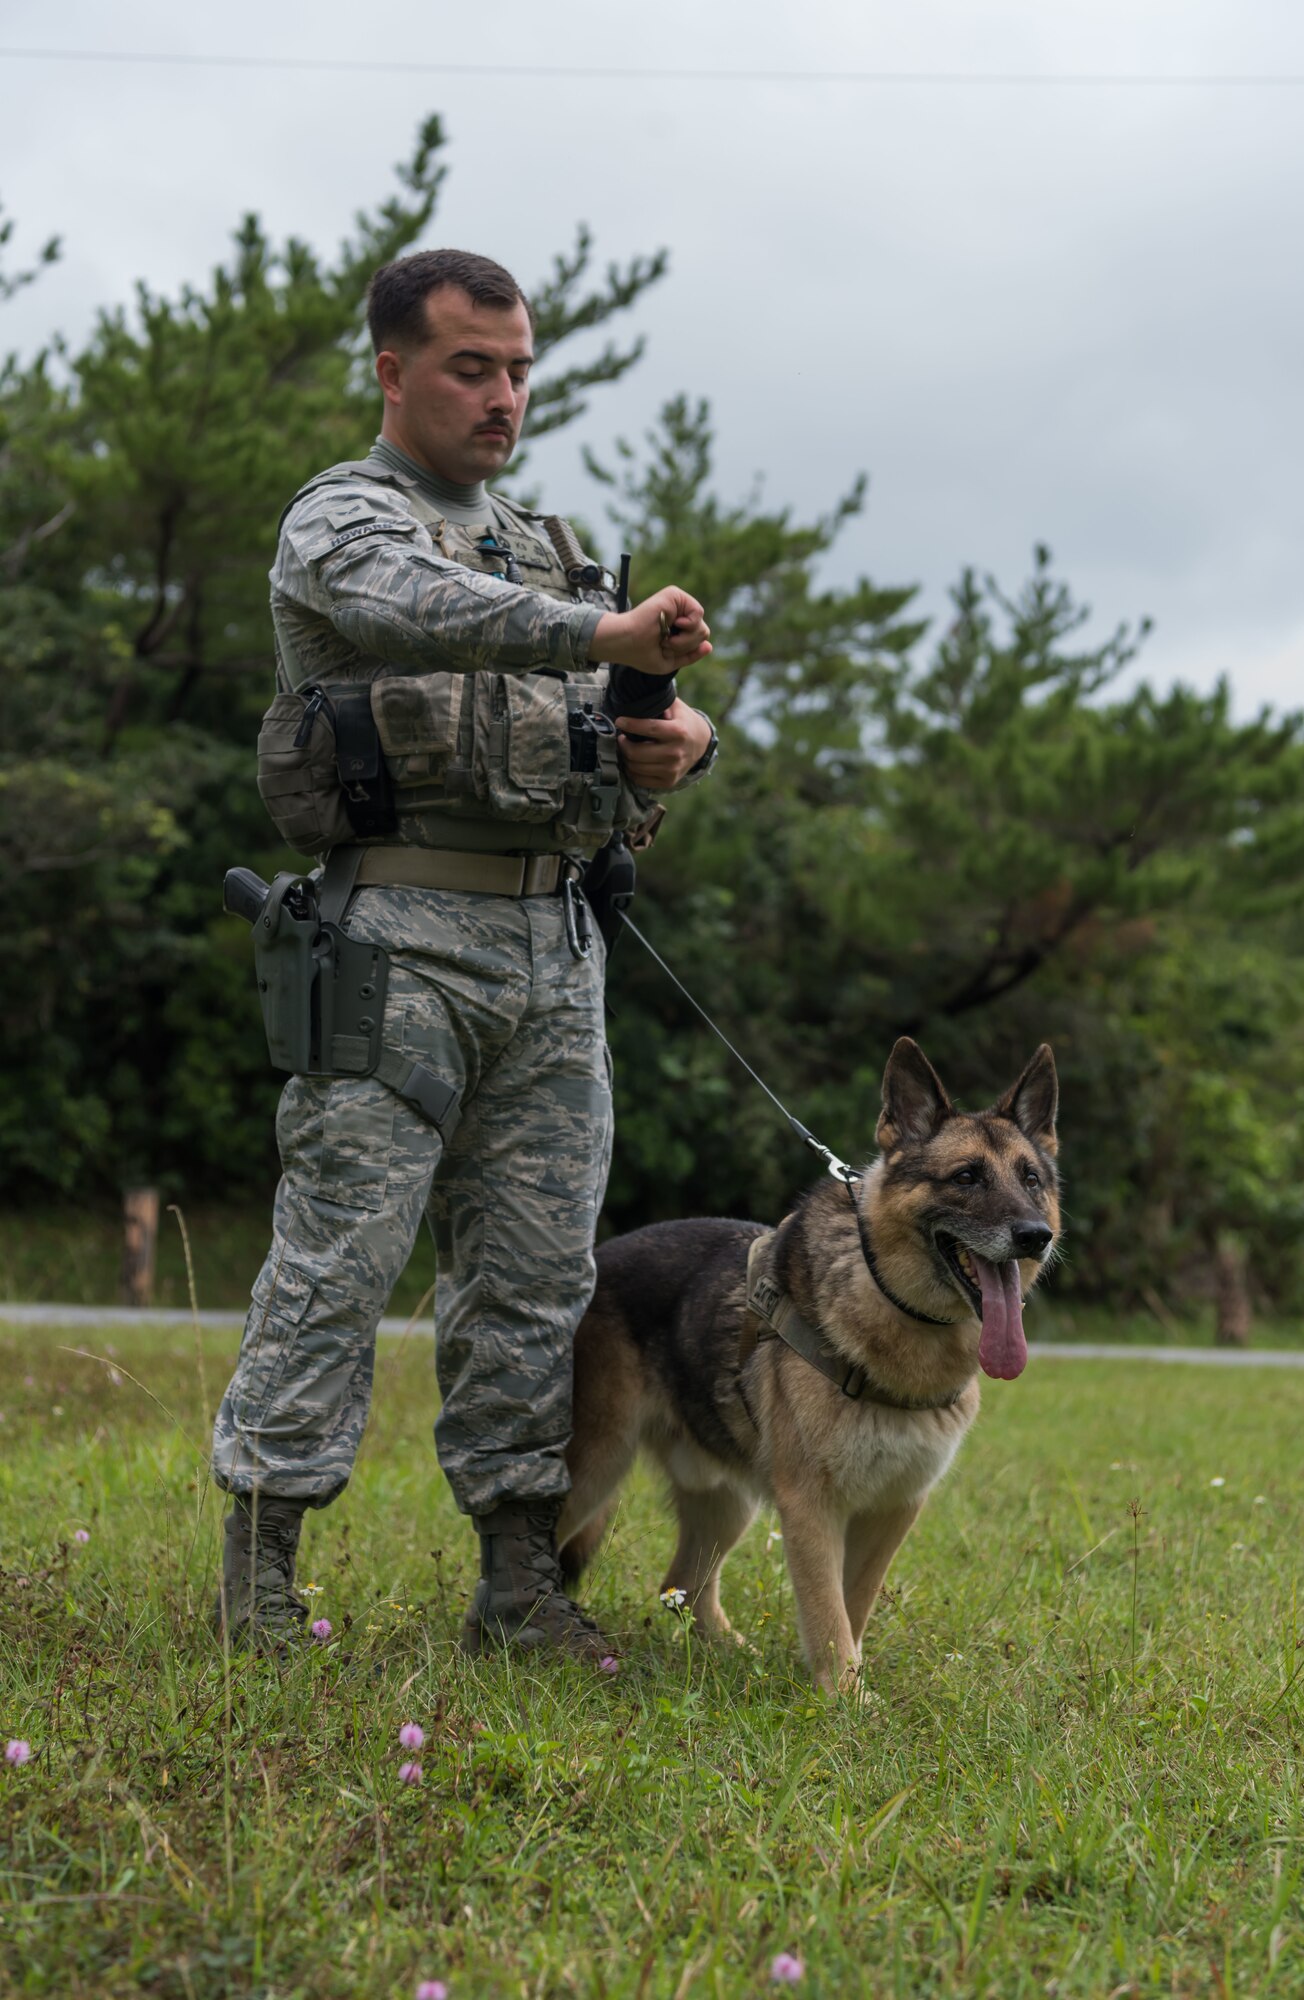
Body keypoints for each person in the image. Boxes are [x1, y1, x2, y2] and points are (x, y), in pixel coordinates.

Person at [211, 247, 717, 1658]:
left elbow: (625, 728)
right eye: (469, 367)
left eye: (518, 370)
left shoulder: (555, 549)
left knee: (540, 1284)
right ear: (392, 369)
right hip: (394, 951)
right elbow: (420, 614)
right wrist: (601, 626)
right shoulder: (344, 520)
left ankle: (520, 1585)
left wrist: (684, 741)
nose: (503, 397)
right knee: (338, 1263)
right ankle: (259, 1580)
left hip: (554, 959)